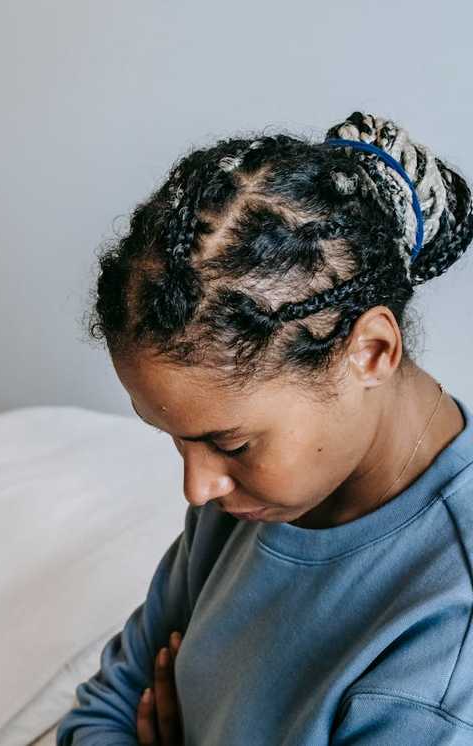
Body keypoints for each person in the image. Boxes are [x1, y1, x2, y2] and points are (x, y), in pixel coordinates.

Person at [57, 113, 473, 744]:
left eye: (230, 443)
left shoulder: (448, 643)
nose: (196, 489)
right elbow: (104, 710)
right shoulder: (256, 501)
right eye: (176, 439)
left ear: (371, 352)